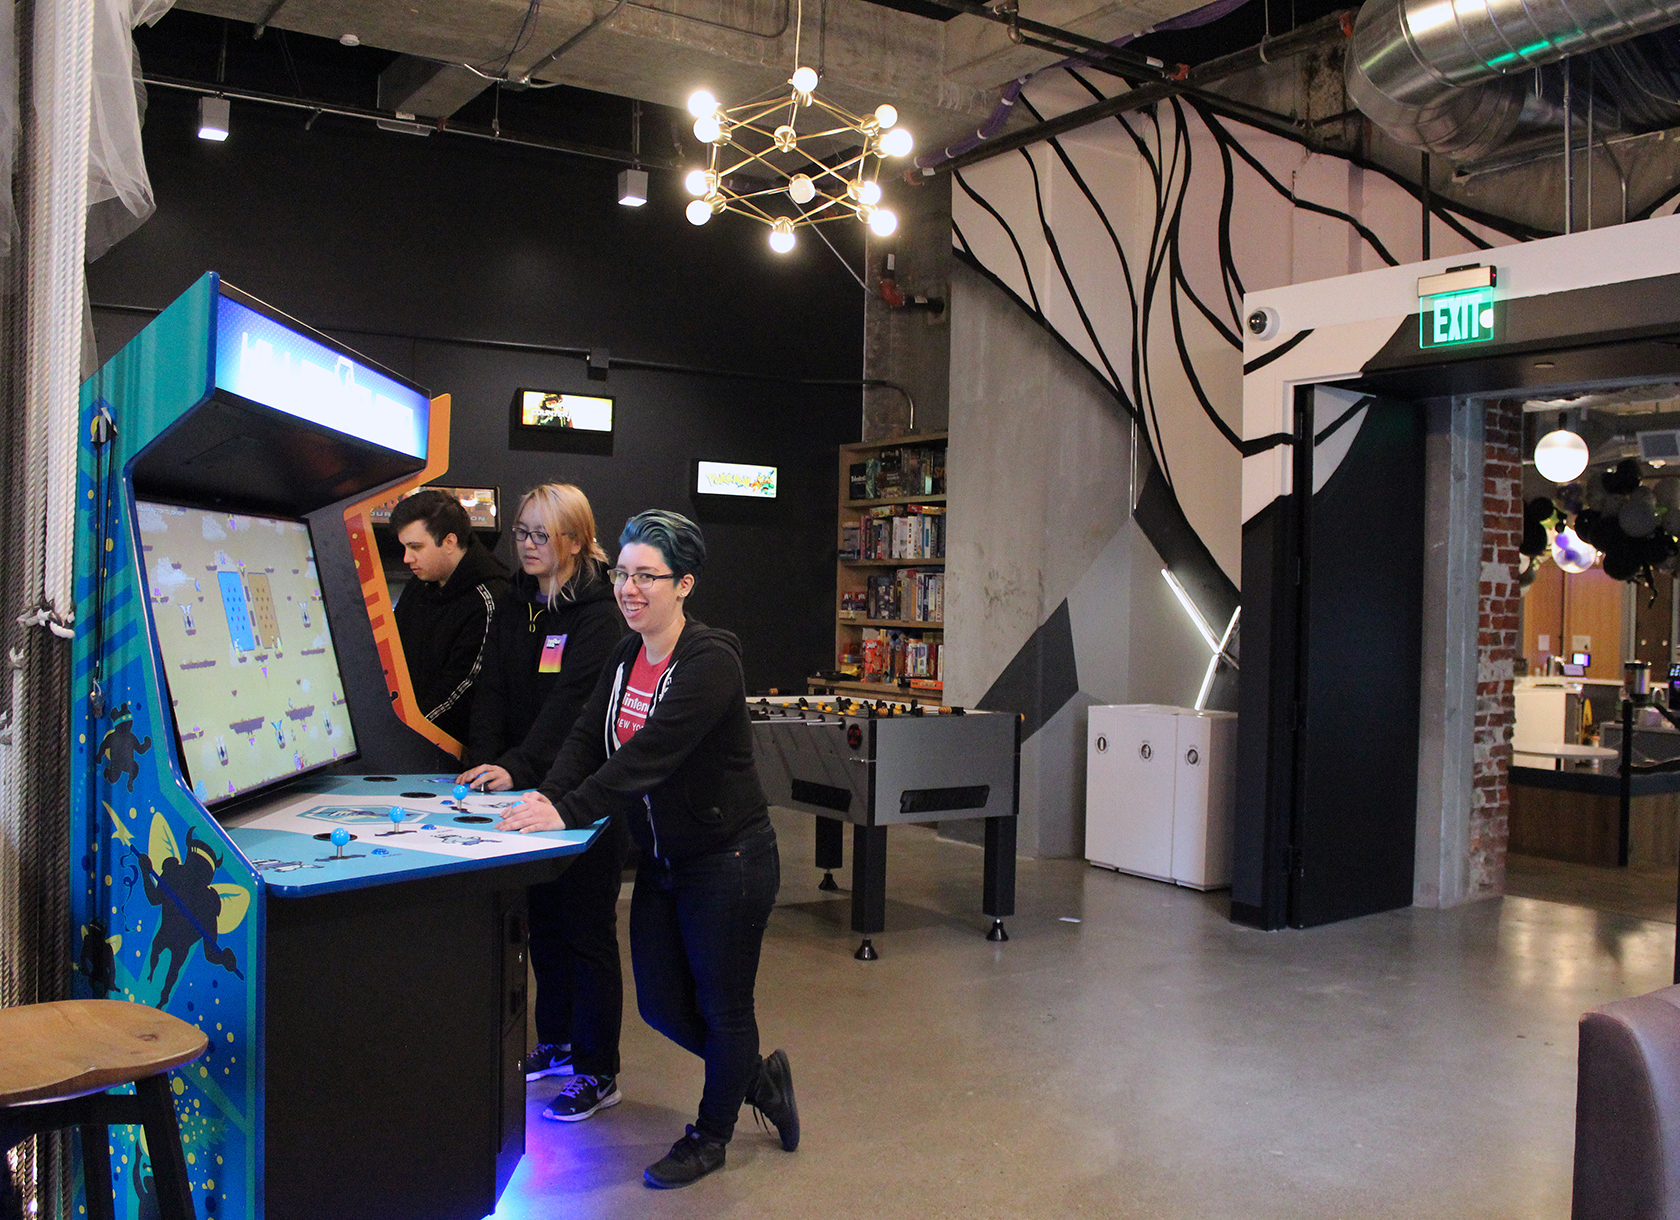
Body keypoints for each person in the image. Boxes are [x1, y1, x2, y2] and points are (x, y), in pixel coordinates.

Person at [497, 509, 798, 1189]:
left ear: (684, 583)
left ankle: (711, 1135)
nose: (629, 589)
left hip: (729, 860)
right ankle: (757, 1078)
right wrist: (547, 795)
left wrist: (569, 812)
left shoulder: (711, 660)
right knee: (662, 1005)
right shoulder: (626, 654)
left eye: (647, 577)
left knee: (723, 1006)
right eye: (623, 574)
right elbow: (585, 734)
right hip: (662, 861)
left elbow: (648, 758)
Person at [456, 484, 628, 1119]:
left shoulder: (599, 614)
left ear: (576, 542)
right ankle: (555, 1042)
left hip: (582, 794)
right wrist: (484, 760)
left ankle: (598, 1070)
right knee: (544, 925)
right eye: (521, 533)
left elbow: (571, 712)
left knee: (587, 930)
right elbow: (492, 686)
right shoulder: (515, 599)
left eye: (540, 535)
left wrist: (517, 767)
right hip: (523, 791)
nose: (526, 545)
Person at [389, 489, 511, 743]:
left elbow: (460, 689)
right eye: (404, 547)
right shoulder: (421, 581)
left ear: (449, 542)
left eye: (416, 547)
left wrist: (403, 733)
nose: (406, 558)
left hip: (448, 745)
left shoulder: (489, 600)